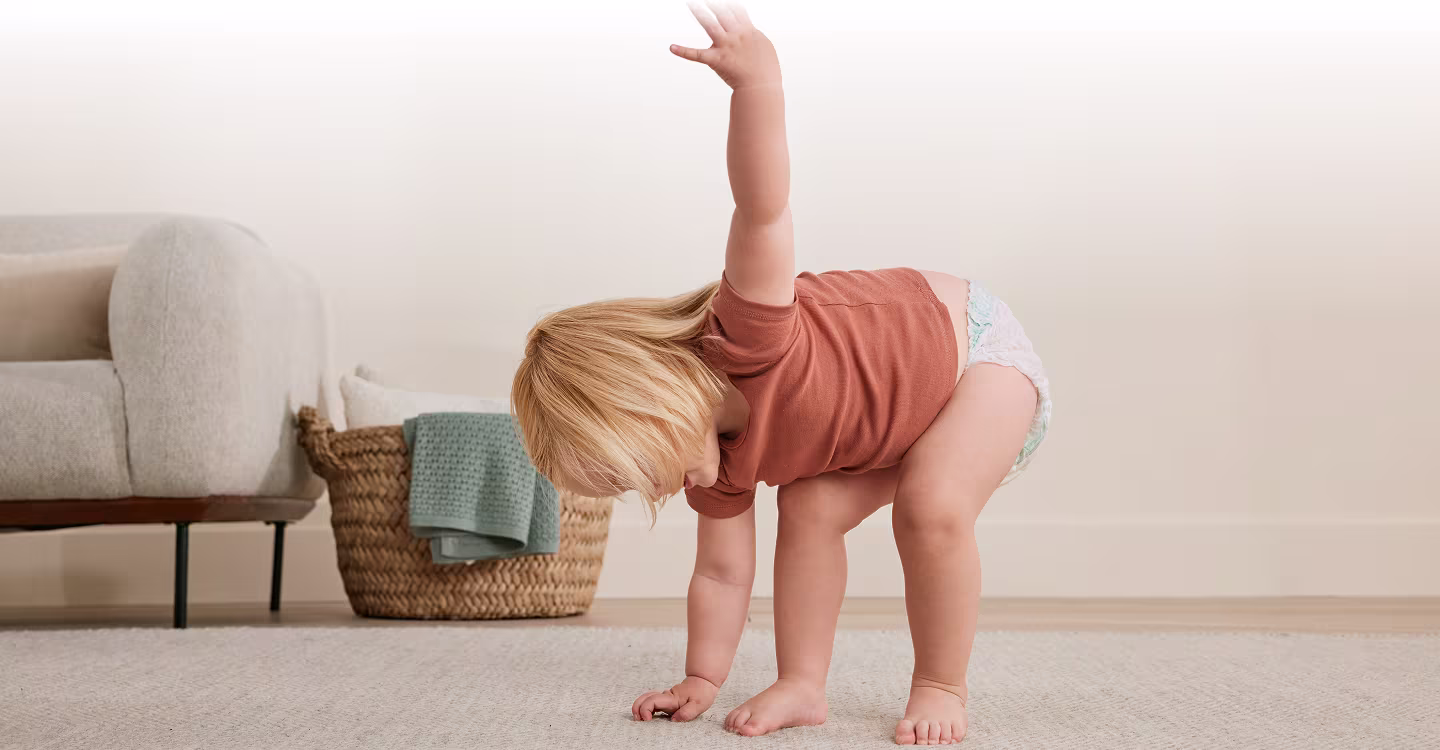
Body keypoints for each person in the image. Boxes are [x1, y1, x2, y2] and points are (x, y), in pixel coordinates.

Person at [511, 3, 1052, 745]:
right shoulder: (720, 471)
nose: (663, 491)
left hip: (978, 358)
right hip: (888, 424)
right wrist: (702, 677)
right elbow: (722, 578)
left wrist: (755, 87)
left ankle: (940, 683)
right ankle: (803, 684)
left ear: (654, 404)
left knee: (929, 507)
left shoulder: (747, 334)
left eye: (645, 469)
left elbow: (762, 212)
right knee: (808, 506)